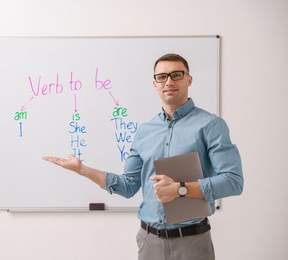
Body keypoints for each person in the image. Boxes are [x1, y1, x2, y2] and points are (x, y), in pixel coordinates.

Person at [43, 53, 244, 260]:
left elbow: (233, 181)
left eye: (176, 75)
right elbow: (129, 185)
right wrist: (82, 170)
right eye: (162, 77)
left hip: (191, 242)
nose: (169, 82)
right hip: (149, 242)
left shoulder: (210, 125)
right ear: (154, 83)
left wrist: (180, 189)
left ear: (189, 79)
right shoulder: (145, 131)